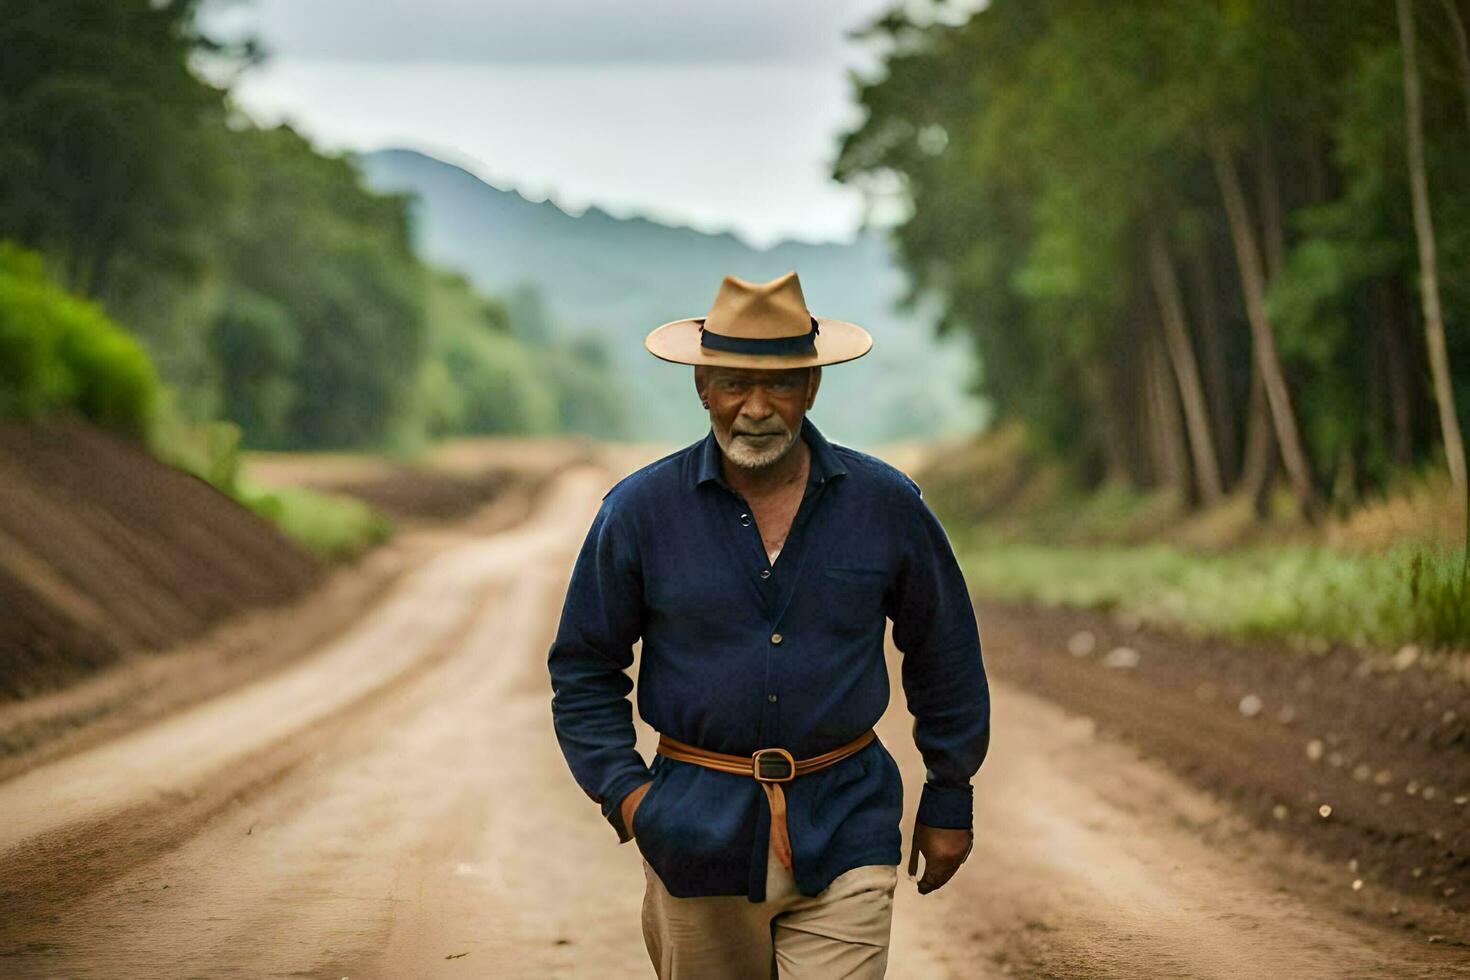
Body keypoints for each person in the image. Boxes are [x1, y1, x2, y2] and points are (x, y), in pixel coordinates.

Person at [547, 271, 990, 978]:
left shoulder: (886, 505)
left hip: (848, 820)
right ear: (702, 387)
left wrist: (950, 792)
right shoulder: (638, 512)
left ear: (812, 387)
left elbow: (945, 652)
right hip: (693, 834)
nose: (756, 408)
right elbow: (582, 669)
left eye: (779, 385)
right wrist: (630, 799)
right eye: (732, 384)